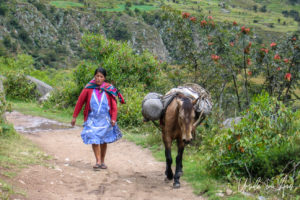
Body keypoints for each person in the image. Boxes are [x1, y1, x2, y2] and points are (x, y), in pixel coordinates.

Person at [71, 67, 125, 170]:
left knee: (104, 140)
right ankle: (98, 161)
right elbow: (80, 102)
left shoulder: (109, 89)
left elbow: (114, 106)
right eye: (97, 76)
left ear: (104, 78)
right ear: (94, 77)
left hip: (105, 119)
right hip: (92, 119)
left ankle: (103, 161)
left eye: (101, 76)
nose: (98, 78)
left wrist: (113, 118)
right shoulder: (88, 88)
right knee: (94, 138)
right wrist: (74, 117)